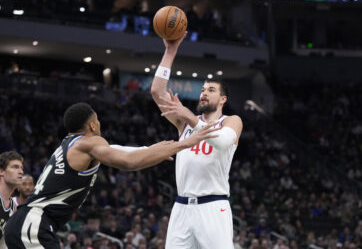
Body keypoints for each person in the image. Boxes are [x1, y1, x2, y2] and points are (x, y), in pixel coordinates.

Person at [5, 102, 218, 248]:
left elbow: (121, 150)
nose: (99, 124)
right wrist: (185, 143)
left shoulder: (70, 144)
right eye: (97, 120)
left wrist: (154, 149)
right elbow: (128, 161)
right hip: (33, 224)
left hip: (26, 224)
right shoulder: (91, 141)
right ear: (91, 125)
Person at [150, 34, 243, 248]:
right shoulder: (184, 123)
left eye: (211, 90)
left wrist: (189, 117)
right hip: (181, 207)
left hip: (213, 206)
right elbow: (157, 91)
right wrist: (170, 51)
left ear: (222, 99)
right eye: (202, 90)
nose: (204, 93)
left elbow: (221, 142)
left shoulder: (231, 121)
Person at [0, 151, 24, 248]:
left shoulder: (13, 207)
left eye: (22, 168)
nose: (21, 172)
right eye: (15, 167)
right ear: (1, 171)